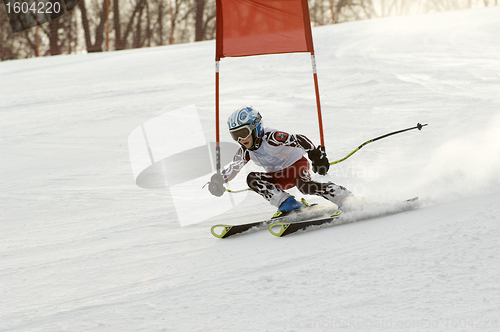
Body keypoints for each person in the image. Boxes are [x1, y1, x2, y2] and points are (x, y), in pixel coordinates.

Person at [208, 106, 352, 217]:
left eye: (243, 133)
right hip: (279, 176)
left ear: (255, 128)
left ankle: (345, 197)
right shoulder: (245, 150)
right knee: (252, 179)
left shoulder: (272, 137)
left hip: (296, 166)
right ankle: (288, 203)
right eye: (235, 136)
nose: (241, 140)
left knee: (305, 186)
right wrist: (219, 180)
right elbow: (234, 167)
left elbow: (299, 139)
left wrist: (316, 156)